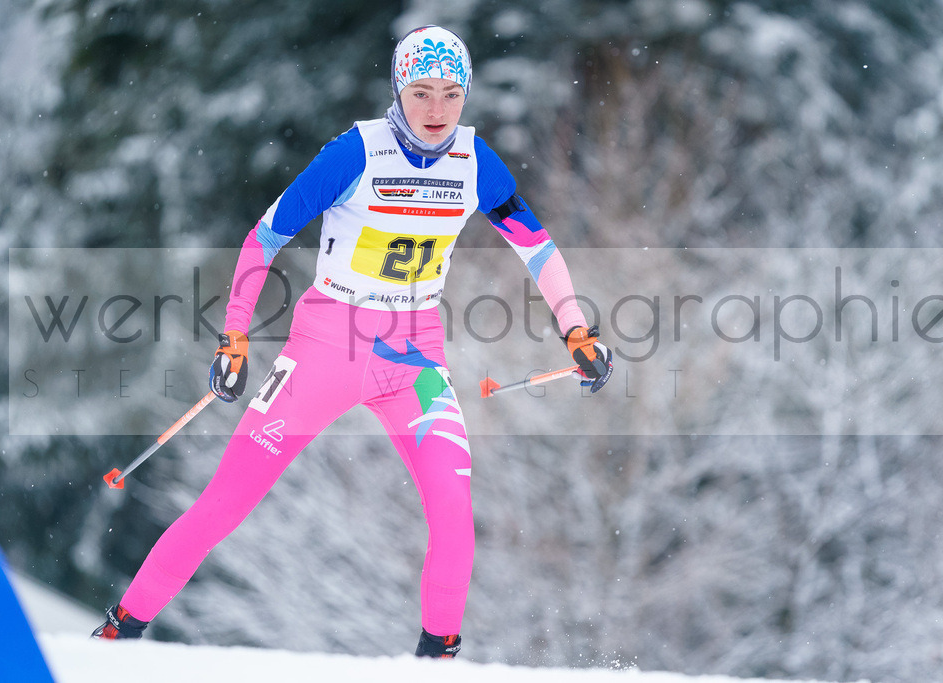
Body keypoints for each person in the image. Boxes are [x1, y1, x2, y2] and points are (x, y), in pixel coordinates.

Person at [92, 25, 612, 658]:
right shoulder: (356, 152)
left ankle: (438, 659)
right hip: (324, 349)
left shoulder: (476, 161)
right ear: (398, 87)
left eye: (451, 94)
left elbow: (538, 247)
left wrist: (574, 328)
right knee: (226, 501)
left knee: (453, 507)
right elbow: (265, 237)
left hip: (414, 359)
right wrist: (234, 334)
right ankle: (121, 631)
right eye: (421, 92)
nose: (436, 110)